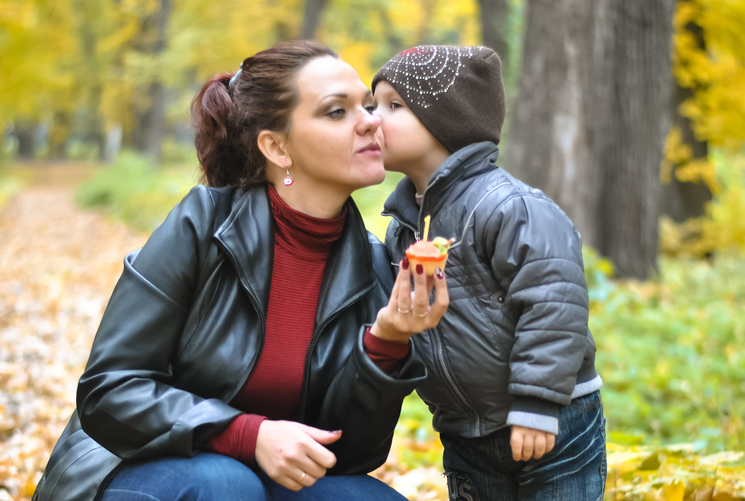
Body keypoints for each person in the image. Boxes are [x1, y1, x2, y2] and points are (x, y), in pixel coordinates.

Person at [33, 40, 449, 501]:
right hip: (132, 468)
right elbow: (109, 389)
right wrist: (248, 435)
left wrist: (386, 343)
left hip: (259, 485)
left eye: (368, 106)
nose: (372, 121)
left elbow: (347, 458)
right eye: (337, 111)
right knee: (227, 485)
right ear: (277, 147)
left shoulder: (371, 263)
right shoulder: (202, 226)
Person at [371, 45, 606, 500]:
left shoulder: (508, 206)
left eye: (393, 106)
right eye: (372, 104)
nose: (372, 118)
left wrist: (537, 403)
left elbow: (554, 302)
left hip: (551, 418)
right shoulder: (403, 227)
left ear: (448, 122)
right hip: (466, 430)